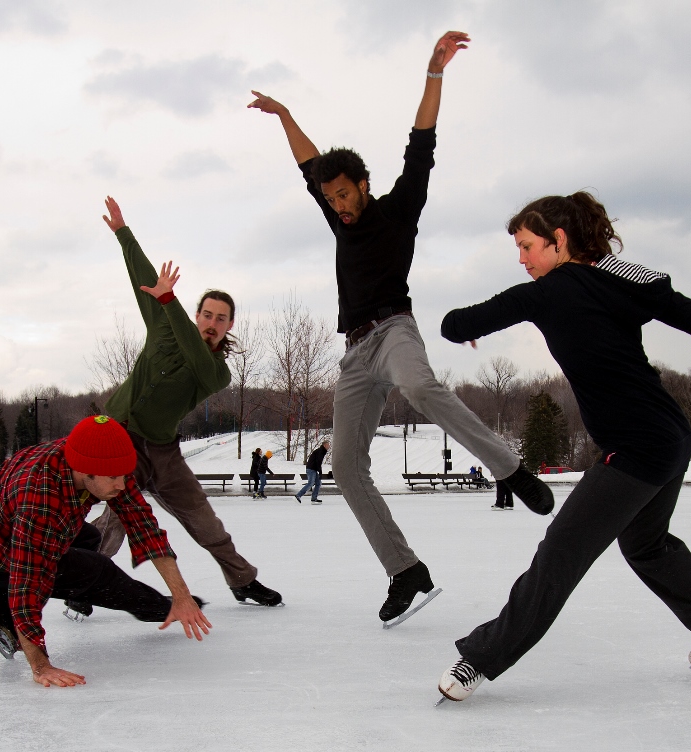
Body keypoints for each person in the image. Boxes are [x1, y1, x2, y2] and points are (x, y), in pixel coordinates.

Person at [436, 192, 691, 702]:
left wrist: (463, 330)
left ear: (558, 240)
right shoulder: (622, 278)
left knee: (561, 553)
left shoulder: (546, 291)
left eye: (526, 246)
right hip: (670, 436)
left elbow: (455, 322)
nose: (521, 259)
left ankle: (479, 658)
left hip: (637, 447)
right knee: (646, 545)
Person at [249, 31, 553, 624]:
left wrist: (434, 74)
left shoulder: (399, 206)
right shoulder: (337, 218)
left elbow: (422, 142)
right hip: (355, 352)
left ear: (363, 185)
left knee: (418, 388)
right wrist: (286, 115)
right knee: (342, 465)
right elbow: (309, 161)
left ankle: (509, 470)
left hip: (394, 331)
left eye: (344, 194)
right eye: (329, 197)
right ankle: (405, 571)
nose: (337, 205)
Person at [86, 197, 282, 608]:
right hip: (121, 438)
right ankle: (85, 582)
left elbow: (195, 353)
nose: (212, 323)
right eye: (207, 315)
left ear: (229, 326)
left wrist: (168, 302)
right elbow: (142, 277)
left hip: (163, 452)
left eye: (221, 318)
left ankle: (242, 580)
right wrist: (124, 233)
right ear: (197, 315)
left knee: (204, 519)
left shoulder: (216, 370)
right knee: (118, 515)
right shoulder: (163, 320)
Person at [0, 415, 211, 687]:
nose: (121, 485)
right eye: (114, 478)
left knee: (89, 536)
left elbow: (144, 527)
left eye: (125, 476)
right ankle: (158, 608)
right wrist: (41, 666)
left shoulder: (99, 461)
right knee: (99, 572)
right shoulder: (41, 496)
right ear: (84, 470)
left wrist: (182, 595)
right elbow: (27, 581)